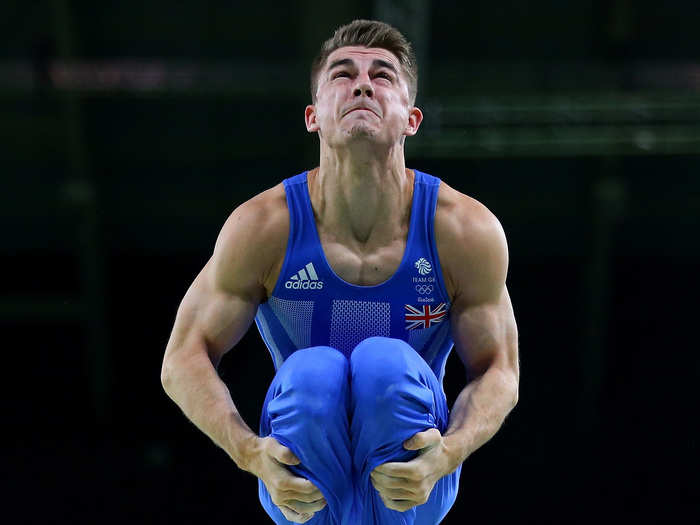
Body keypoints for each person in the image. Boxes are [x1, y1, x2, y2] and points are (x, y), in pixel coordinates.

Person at [161, 19, 519, 525]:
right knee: (313, 375)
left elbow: (501, 369)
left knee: (384, 365)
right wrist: (248, 453)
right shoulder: (263, 227)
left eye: (384, 75)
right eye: (342, 74)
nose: (363, 84)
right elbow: (181, 358)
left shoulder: (463, 231)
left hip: (414, 482)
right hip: (302, 480)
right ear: (314, 116)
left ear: (411, 119)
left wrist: (450, 453)